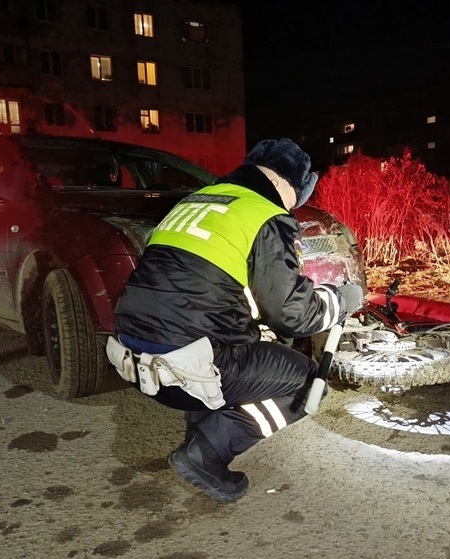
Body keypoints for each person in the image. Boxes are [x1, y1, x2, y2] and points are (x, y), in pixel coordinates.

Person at [113, 138, 363, 502]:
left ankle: (200, 438)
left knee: (232, 341)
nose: (294, 206)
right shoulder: (265, 213)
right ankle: (204, 455)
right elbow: (294, 315)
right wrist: (342, 298)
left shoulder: (196, 202)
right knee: (309, 384)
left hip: (135, 360)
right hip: (189, 370)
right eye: (296, 196)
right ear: (282, 182)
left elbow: (206, 286)